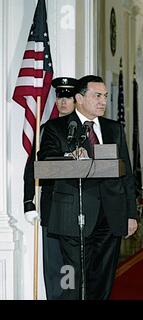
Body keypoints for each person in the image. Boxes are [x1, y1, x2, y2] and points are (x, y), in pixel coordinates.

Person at [38, 75, 138, 300]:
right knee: (73, 275)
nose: (103, 101)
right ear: (79, 98)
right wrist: (69, 157)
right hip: (73, 215)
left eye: (105, 96)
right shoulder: (58, 127)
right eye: (97, 96)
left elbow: (127, 174)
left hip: (110, 215)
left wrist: (131, 213)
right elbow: (45, 162)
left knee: (102, 276)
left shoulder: (114, 129)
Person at [23, 77, 77, 299]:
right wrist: (29, 201)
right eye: (59, 97)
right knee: (53, 263)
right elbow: (32, 166)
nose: (62, 102)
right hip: (52, 204)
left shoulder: (87, 129)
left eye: (68, 97)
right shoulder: (45, 129)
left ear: (77, 100)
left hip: (77, 207)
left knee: (71, 265)